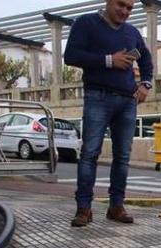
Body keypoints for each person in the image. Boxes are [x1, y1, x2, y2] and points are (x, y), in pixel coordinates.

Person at [64, 0, 153, 227]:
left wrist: (145, 84)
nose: (125, 11)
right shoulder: (86, 23)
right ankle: (84, 209)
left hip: (127, 101)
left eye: (130, 8)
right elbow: (71, 55)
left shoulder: (132, 32)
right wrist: (108, 60)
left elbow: (146, 58)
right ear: (109, 2)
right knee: (90, 153)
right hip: (97, 96)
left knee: (122, 157)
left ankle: (116, 206)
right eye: (121, 5)